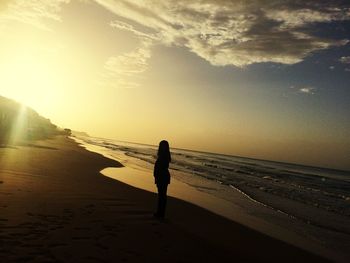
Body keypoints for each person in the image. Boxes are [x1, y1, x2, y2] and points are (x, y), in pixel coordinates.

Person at [153, 140, 171, 218]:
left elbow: (163, 168)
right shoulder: (162, 155)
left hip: (163, 177)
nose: (162, 147)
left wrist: (157, 176)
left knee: (162, 196)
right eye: (161, 145)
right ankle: (160, 213)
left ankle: (161, 214)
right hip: (160, 177)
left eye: (164, 146)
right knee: (161, 195)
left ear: (166, 147)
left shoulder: (165, 156)